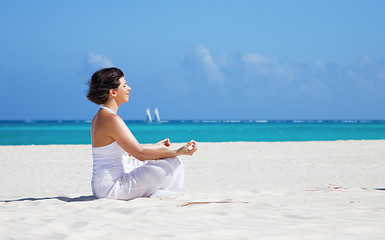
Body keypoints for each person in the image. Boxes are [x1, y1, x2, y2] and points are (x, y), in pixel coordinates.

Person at [87, 67, 197, 200]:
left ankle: (157, 191)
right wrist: (178, 152)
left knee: (161, 157)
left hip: (103, 185)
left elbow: (128, 151)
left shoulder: (101, 115)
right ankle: (160, 195)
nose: (129, 88)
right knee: (172, 161)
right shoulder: (112, 119)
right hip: (112, 188)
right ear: (113, 92)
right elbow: (139, 154)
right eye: (125, 85)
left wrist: (156, 147)